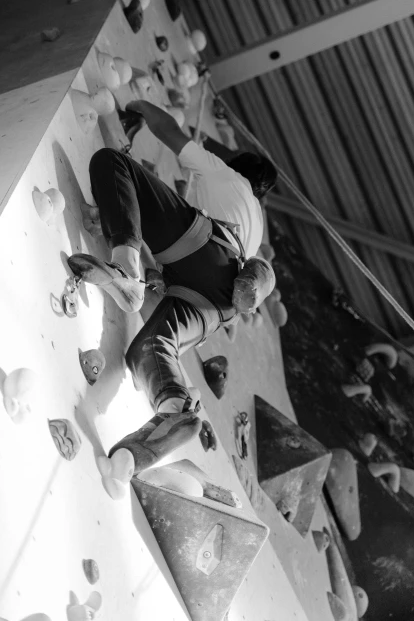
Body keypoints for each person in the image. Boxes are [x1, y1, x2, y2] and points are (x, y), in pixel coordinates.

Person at [68, 99, 277, 499]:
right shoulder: (257, 225)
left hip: (204, 250)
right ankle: (169, 415)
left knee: (113, 163)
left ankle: (125, 267)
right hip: (218, 306)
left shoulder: (226, 174)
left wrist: (141, 106)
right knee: (149, 349)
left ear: (239, 166)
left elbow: (170, 132)